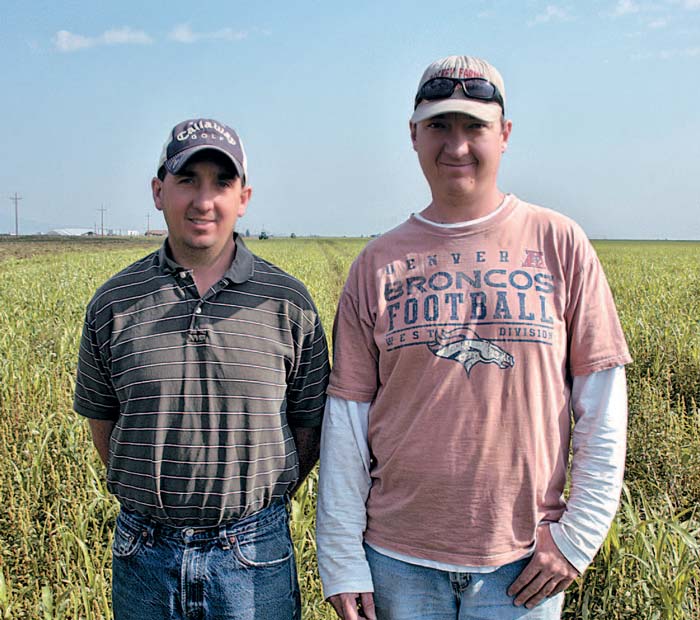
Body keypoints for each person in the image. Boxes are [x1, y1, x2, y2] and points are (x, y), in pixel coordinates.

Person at [316, 56, 631, 620]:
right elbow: (347, 420)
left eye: (474, 127)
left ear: (504, 134)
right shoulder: (376, 264)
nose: (456, 146)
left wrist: (578, 537)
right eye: (438, 126)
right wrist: (342, 558)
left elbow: (602, 404)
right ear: (413, 135)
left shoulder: (559, 242)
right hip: (396, 561)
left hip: (524, 564)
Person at [74, 118, 329, 619]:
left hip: (254, 553)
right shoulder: (114, 302)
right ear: (158, 191)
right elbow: (104, 422)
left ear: (244, 197)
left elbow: (309, 425)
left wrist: (245, 504)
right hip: (144, 552)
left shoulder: (288, 303)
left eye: (221, 182)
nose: (203, 200)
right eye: (187, 180)